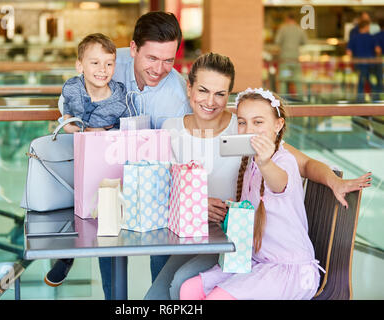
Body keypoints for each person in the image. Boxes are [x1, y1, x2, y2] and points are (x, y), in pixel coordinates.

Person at [144, 53, 372, 300]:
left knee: (180, 283)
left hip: (246, 248)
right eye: (203, 90)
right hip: (208, 238)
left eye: (220, 94)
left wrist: (333, 180)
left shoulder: (250, 140)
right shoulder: (176, 130)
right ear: (189, 88)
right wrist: (196, 203)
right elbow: (160, 188)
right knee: (166, 292)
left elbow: (295, 170)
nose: (210, 101)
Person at [51, 11, 192, 299]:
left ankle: (159, 298)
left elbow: (175, 152)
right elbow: (74, 90)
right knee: (105, 223)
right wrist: (76, 122)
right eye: (152, 58)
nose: (160, 68)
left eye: (169, 60)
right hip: (106, 169)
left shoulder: (178, 95)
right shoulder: (112, 62)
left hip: (152, 175)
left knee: (161, 241)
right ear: (133, 49)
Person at [179, 88, 322, 300]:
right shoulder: (251, 162)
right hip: (254, 260)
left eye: (258, 122)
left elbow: (278, 182)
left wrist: (265, 162)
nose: (249, 129)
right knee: (189, 289)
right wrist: (233, 208)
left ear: (278, 124)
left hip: (288, 270)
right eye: (243, 122)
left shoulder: (284, 161)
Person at [44, 33, 132, 287]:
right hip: (78, 161)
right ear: (80, 66)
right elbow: (71, 117)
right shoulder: (72, 88)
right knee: (73, 209)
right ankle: (67, 254)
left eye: (109, 63)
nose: (103, 70)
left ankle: (113, 289)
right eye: (94, 63)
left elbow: (124, 126)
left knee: (105, 219)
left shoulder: (119, 94)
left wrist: (100, 132)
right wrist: (74, 125)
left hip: (109, 165)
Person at [347, 19, 382, 102]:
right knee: (372, 83)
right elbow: (378, 50)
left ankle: (360, 102)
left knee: (361, 84)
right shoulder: (372, 37)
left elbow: (348, 52)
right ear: (366, 27)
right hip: (371, 65)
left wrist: (353, 58)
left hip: (359, 65)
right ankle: (375, 101)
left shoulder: (354, 38)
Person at [275, 12, 307, 98]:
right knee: (298, 81)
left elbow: (277, 41)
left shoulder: (283, 29)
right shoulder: (299, 29)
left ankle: (283, 101)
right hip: (295, 60)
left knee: (284, 81)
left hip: (285, 61)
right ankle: (301, 101)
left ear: (287, 19)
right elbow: (304, 42)